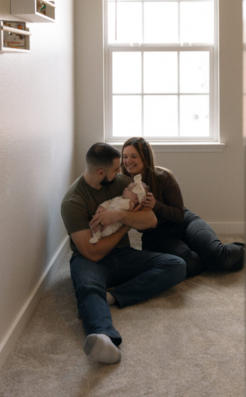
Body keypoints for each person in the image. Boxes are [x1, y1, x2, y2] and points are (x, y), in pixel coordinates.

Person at [61, 143, 186, 365]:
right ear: (101, 173)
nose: (122, 172)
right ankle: (104, 338)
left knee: (176, 265)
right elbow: (92, 252)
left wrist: (119, 217)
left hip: (124, 255)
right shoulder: (73, 202)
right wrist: (127, 225)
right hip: (89, 260)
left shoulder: (121, 183)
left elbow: (151, 220)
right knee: (88, 288)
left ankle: (113, 297)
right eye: (116, 169)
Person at [121, 137, 245, 278]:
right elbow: (136, 223)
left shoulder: (163, 177)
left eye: (133, 156)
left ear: (146, 158)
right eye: (125, 157)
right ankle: (203, 255)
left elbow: (179, 214)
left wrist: (156, 205)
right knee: (189, 265)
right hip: (157, 235)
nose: (128, 161)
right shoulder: (124, 186)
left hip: (184, 222)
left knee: (218, 256)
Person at [90, 179, 149, 244]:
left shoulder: (129, 206)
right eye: (127, 187)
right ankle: (95, 235)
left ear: (136, 199)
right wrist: (102, 207)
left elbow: (119, 213)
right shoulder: (120, 197)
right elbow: (110, 201)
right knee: (94, 223)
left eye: (128, 190)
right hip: (104, 215)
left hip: (112, 225)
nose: (125, 188)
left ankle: (97, 237)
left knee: (106, 231)